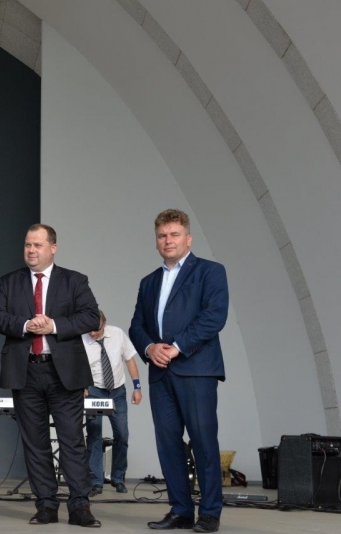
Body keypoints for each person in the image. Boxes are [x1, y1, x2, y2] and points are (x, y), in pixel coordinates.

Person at [0, 223, 101, 528]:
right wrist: (26, 325)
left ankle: (80, 506)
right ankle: (46, 505)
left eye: (37, 245)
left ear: (53, 248)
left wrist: (54, 326)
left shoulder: (74, 280)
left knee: (72, 441)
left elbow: (91, 316)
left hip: (64, 373)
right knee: (35, 443)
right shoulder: (9, 282)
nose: (31, 250)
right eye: (27, 244)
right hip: (25, 371)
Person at [129, 209, 228, 533]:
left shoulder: (210, 272)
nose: (168, 240)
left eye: (174, 234)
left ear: (188, 238)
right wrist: (149, 348)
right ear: (156, 241)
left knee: (203, 442)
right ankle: (181, 510)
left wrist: (176, 346)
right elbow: (137, 326)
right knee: (168, 443)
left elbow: (214, 317)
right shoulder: (148, 282)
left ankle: (209, 513)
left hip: (196, 370)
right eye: (162, 235)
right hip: (160, 374)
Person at [82, 310, 142, 497]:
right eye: (90, 330)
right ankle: (96, 481)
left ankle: (118, 478)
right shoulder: (82, 339)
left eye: (96, 330)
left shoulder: (117, 334)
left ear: (104, 324)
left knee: (122, 434)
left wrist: (137, 387)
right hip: (94, 390)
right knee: (94, 434)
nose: (93, 333)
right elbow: (76, 366)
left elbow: (129, 360)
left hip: (117, 391)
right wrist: (81, 387)